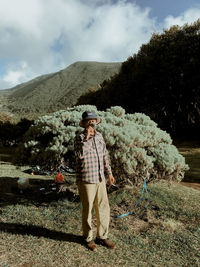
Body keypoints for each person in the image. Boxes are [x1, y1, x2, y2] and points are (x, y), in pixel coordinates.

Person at [74, 111, 116, 251]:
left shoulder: (100, 136)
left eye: (93, 120)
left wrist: (109, 173)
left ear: (96, 122)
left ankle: (102, 236)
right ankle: (88, 238)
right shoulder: (79, 138)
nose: (91, 123)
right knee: (88, 210)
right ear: (84, 123)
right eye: (88, 121)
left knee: (103, 208)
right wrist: (87, 138)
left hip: (100, 178)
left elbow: (105, 156)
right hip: (86, 179)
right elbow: (80, 155)